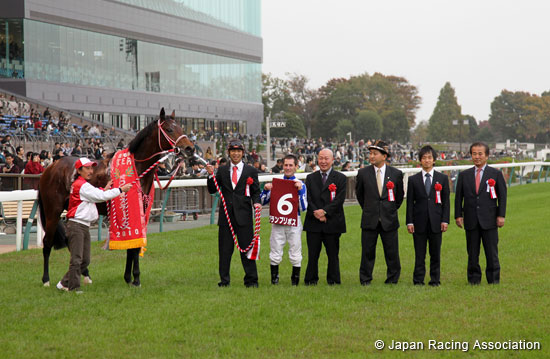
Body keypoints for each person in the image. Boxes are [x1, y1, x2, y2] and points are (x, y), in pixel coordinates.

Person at [57, 158, 132, 293]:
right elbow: (99, 196)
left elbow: (95, 194)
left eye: (92, 168)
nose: (91, 171)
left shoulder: (82, 184)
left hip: (82, 226)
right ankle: (74, 288)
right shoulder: (82, 185)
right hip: (77, 226)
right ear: (79, 170)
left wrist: (105, 189)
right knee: (77, 259)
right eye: (87, 168)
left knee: (85, 260)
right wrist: (120, 190)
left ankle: (64, 283)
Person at [206, 139, 261, 287]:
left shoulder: (251, 171)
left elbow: (256, 192)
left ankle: (251, 280)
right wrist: (211, 175)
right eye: (233, 151)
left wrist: (257, 203)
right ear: (229, 153)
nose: (235, 154)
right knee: (225, 251)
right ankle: (224, 281)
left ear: (242, 153)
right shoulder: (223, 170)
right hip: (226, 217)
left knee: (247, 251)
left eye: (238, 151)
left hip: (244, 217)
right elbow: (213, 189)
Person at [455, 142, 507, 284]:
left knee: (491, 252)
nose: (477, 157)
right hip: (471, 219)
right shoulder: (464, 175)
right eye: (474, 154)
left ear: (487, 155)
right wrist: (458, 215)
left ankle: (493, 279)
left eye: (480, 154)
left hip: (489, 219)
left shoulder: (495, 174)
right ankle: (473, 279)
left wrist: (501, 215)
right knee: (472, 253)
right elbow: (459, 197)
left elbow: (502, 196)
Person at [355, 140, 404, 285]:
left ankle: (392, 279)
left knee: (392, 252)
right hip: (370, 219)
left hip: (389, 219)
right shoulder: (363, 173)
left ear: (384, 156)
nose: (371, 156)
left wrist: (388, 210)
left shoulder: (396, 174)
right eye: (370, 153)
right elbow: (360, 196)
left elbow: (399, 197)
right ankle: (365, 279)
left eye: (375, 154)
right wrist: (371, 209)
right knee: (367, 252)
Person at [406, 145, 450, 286]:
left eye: (429, 158)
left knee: (435, 253)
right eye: (424, 158)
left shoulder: (442, 178)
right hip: (419, 222)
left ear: (434, 160)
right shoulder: (413, 180)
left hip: (436, 221)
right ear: (420, 161)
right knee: (420, 254)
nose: (427, 160)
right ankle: (418, 280)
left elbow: (446, 202)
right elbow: (410, 203)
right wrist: (409, 222)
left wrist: (445, 220)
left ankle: (435, 279)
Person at [260, 154, 307, 285]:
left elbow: (304, 207)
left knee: (295, 249)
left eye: (290, 165)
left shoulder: (301, 184)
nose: (287, 168)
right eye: (286, 165)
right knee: (275, 249)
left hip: (294, 221)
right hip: (278, 221)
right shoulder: (276, 183)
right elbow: (262, 201)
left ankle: (295, 280)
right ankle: (274, 279)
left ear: (296, 167)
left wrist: (300, 191)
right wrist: (265, 189)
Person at [303, 148, 347, 285]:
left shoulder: (341, 178)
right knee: (312, 255)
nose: (323, 161)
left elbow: (339, 200)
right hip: (313, 222)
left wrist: (325, 212)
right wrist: (317, 212)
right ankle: (311, 280)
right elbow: (307, 199)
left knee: (333, 255)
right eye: (321, 158)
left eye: (326, 158)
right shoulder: (310, 178)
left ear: (333, 160)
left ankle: (333, 280)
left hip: (332, 222)